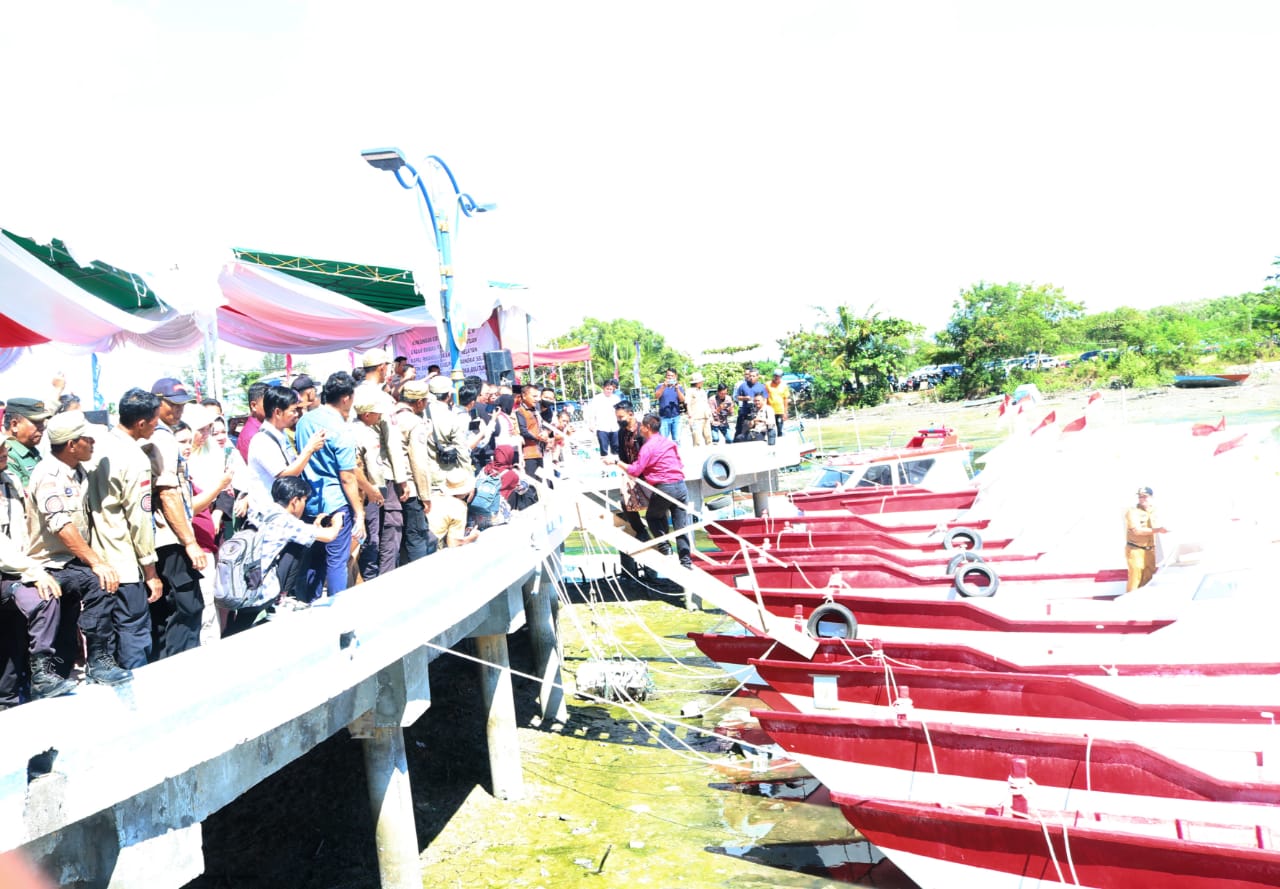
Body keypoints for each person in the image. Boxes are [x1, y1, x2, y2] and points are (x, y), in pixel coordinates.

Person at [26, 411, 132, 685]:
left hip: (71, 561)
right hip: (49, 563)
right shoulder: (48, 475)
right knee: (99, 579)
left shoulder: (78, 470)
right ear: (72, 445)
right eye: (88, 439)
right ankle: (63, 673)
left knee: (99, 584)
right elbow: (61, 525)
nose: (93, 444)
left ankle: (99, 660)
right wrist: (96, 561)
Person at [84, 389, 163, 668]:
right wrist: (150, 570)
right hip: (123, 561)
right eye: (155, 419)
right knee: (133, 633)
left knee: (105, 639)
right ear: (141, 423)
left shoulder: (94, 446)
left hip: (92, 559)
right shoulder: (135, 458)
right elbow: (140, 520)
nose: (158, 424)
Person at [0, 428, 77, 705]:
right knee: (40, 599)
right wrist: (33, 571)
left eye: (4, 448)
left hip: (16, 569)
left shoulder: (8, 479)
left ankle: (38, 678)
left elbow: (24, 529)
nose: (5, 453)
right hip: (10, 570)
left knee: (12, 640)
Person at [221, 476, 347, 637]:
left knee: (240, 623)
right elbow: (329, 536)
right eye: (304, 501)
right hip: (259, 589)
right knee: (241, 626)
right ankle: (281, 599)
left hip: (240, 579)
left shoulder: (262, 509)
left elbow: (294, 533)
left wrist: (314, 527)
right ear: (295, 501)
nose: (304, 505)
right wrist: (338, 520)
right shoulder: (286, 521)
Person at [148, 377, 210, 659]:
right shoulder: (160, 436)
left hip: (161, 537)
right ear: (156, 403)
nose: (178, 411)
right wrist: (189, 542)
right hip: (168, 536)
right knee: (185, 607)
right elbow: (168, 493)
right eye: (172, 405)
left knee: (167, 612)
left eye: (182, 405)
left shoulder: (156, 433)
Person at [295, 372, 366, 600]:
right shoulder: (341, 429)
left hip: (309, 501)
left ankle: (309, 604)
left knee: (313, 557)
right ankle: (338, 611)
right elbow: (347, 477)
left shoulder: (304, 421)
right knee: (337, 560)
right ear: (346, 398)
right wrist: (359, 512)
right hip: (336, 503)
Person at [611, 413, 692, 569]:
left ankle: (664, 547)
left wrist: (616, 462)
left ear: (647, 428)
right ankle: (686, 562)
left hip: (665, 487)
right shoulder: (668, 442)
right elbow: (679, 463)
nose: (640, 428)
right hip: (680, 486)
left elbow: (635, 470)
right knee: (681, 526)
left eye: (642, 426)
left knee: (652, 517)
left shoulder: (648, 447)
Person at [246, 386, 326, 503]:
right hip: (268, 514)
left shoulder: (280, 434)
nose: (296, 414)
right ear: (278, 412)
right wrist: (309, 449)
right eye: (293, 411)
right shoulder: (262, 441)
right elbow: (285, 475)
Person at [409, 375, 473, 500]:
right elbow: (462, 451)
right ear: (449, 395)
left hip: (422, 475)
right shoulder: (451, 417)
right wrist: (469, 479)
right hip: (447, 477)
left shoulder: (418, 414)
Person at [391, 381, 433, 563]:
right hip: (410, 488)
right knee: (416, 535)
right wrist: (425, 496)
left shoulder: (388, 416)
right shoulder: (414, 423)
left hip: (389, 486)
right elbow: (419, 462)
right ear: (419, 402)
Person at [3, 397, 54, 489]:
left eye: (42, 422)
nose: (42, 427)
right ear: (14, 425)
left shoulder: (30, 450)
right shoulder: (6, 456)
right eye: (37, 422)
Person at [1124, 486, 1167, 591]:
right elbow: (1136, 531)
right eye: (1140, 497)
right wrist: (1158, 530)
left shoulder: (1155, 511)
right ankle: (1128, 602)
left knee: (1149, 578)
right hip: (1135, 550)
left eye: (1145, 497)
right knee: (1135, 577)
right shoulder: (1132, 512)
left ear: (1151, 497)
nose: (1142, 499)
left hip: (1150, 550)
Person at [429, 468, 481, 548]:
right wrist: (471, 538)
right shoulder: (459, 507)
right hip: (432, 547)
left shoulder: (433, 496)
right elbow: (453, 543)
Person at [514, 384, 554, 479]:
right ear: (524, 396)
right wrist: (539, 438)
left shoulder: (536, 411)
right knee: (531, 484)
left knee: (539, 483)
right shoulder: (520, 411)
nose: (537, 399)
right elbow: (523, 431)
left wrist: (546, 434)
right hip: (528, 455)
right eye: (534, 396)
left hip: (539, 452)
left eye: (538, 396)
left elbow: (545, 426)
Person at [235, 382, 269, 462]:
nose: (273, 408)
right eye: (268, 404)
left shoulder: (265, 428)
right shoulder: (251, 434)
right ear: (254, 405)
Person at [586, 379, 621, 456]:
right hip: (602, 427)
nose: (609, 391)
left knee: (616, 448)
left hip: (614, 427)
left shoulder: (616, 399)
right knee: (604, 449)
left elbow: (620, 412)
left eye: (611, 389)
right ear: (603, 388)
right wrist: (591, 424)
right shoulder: (597, 399)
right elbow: (591, 413)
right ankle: (605, 466)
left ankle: (616, 464)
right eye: (607, 389)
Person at [733, 368, 767, 443]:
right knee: (741, 433)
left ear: (758, 376)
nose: (751, 378)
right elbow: (737, 397)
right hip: (745, 412)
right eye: (750, 376)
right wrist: (745, 398)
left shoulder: (761, 386)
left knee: (757, 432)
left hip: (758, 413)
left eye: (753, 376)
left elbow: (765, 400)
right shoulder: (743, 385)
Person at [654, 368, 685, 442]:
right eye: (668, 375)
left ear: (675, 377)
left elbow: (682, 400)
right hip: (664, 418)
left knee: (677, 440)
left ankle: (676, 453)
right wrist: (664, 386)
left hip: (676, 417)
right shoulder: (660, 386)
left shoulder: (679, 387)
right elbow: (656, 397)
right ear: (666, 376)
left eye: (672, 376)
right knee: (663, 441)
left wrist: (677, 389)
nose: (670, 377)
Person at [686, 372, 711, 446]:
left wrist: (710, 415)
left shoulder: (703, 391)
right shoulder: (689, 391)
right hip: (696, 419)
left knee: (708, 438)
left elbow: (706, 403)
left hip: (705, 417)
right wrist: (690, 417)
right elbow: (687, 403)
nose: (702, 382)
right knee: (697, 440)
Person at [765, 371, 790, 438]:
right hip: (770, 410)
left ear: (781, 377)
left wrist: (785, 412)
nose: (776, 377)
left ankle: (780, 439)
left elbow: (785, 399)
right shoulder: (767, 384)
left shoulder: (784, 385)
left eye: (778, 376)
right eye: (775, 376)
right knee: (770, 428)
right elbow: (765, 397)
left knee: (780, 428)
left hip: (780, 411)